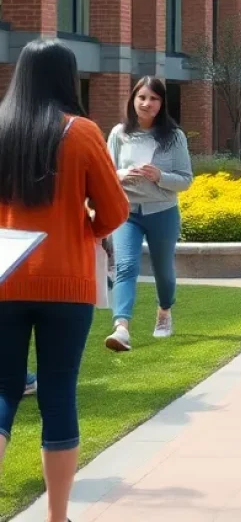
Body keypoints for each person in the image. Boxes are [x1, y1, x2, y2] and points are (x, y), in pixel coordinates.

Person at [0, 39, 129, 522]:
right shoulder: (82, 131)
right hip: (67, 282)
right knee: (58, 391)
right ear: (66, 77)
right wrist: (82, 232)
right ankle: (57, 517)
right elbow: (115, 209)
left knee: (4, 388)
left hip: (4, 278)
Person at [106, 77, 193, 352]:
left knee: (163, 271)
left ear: (162, 103)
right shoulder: (119, 133)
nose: (147, 103)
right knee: (125, 267)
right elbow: (106, 174)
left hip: (162, 212)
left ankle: (164, 310)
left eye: (153, 98)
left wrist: (160, 176)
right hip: (127, 212)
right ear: (133, 99)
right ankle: (121, 328)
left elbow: (185, 179)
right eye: (142, 97)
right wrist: (121, 175)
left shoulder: (174, 136)